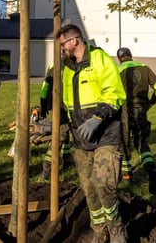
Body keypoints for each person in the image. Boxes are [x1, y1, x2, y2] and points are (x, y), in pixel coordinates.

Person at [56, 24, 127, 243]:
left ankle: (116, 229)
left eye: (62, 45)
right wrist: (56, 123)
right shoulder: (67, 68)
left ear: (74, 41)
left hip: (106, 135)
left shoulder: (100, 59)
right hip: (81, 139)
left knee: (103, 185)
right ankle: (99, 229)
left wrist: (97, 119)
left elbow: (115, 93)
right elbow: (67, 102)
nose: (61, 50)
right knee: (88, 188)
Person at [116, 47, 156, 194]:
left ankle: (127, 176)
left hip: (125, 110)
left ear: (120, 58)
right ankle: (151, 169)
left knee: (124, 142)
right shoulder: (144, 68)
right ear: (131, 56)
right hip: (141, 110)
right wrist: (151, 103)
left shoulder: (118, 71)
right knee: (141, 142)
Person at [36, 64, 72, 181]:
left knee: (65, 134)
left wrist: (43, 104)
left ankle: (67, 159)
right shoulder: (71, 66)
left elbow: (45, 87)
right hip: (66, 108)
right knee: (60, 136)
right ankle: (47, 168)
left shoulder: (53, 66)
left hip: (59, 107)